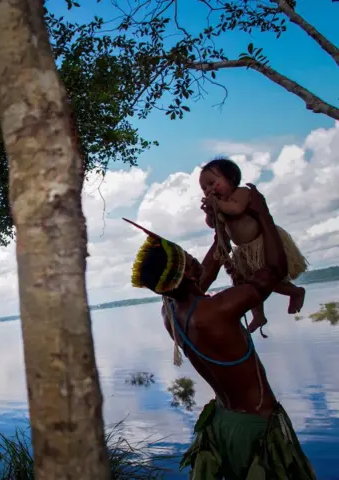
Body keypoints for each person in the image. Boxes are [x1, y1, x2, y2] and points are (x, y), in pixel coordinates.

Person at [123, 184, 316, 479]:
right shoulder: (217, 311)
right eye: (190, 258)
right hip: (257, 428)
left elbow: (206, 270)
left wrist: (220, 228)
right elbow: (273, 272)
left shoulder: (172, 313)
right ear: (186, 273)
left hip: (223, 422)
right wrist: (262, 212)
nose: (197, 259)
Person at [199, 157, 308, 333]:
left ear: (231, 180)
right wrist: (210, 213)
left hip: (261, 245)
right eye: (204, 188)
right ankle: (258, 315)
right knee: (246, 284)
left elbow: (236, 209)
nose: (209, 190)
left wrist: (217, 204)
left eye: (212, 183)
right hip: (244, 252)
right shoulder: (220, 204)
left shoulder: (241, 193)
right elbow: (213, 224)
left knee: (270, 280)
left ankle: (295, 292)